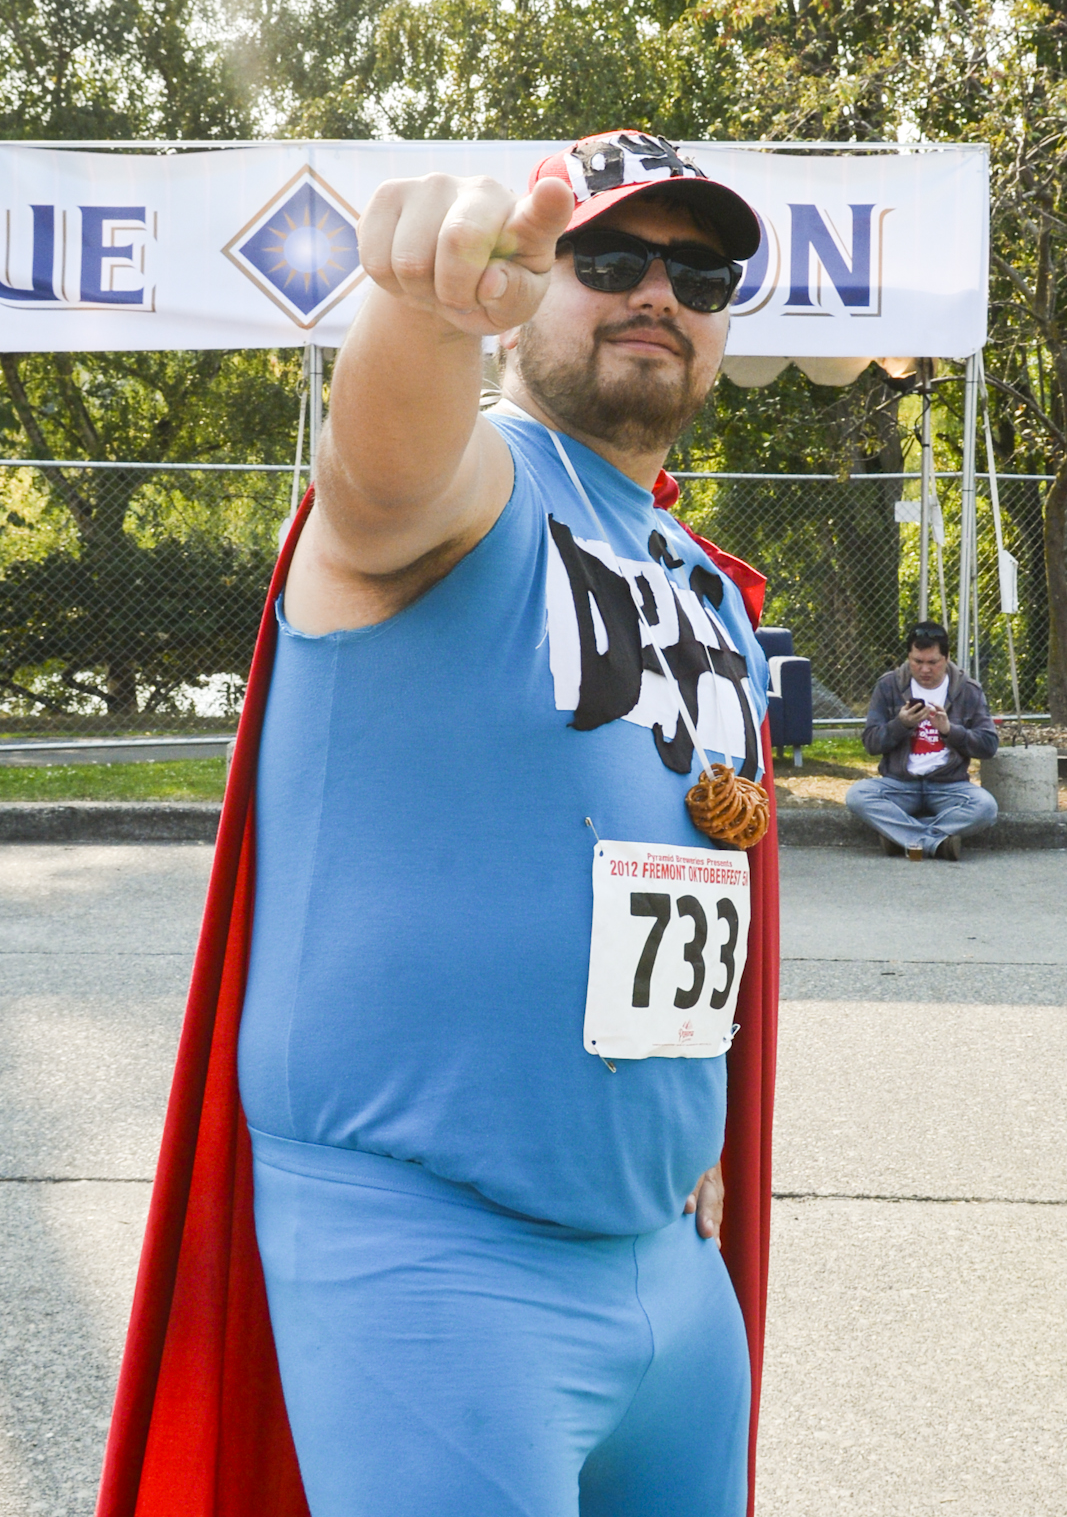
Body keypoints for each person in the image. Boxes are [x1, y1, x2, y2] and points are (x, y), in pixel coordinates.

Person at [97, 132, 780, 1517]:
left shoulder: (705, 583)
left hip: (666, 1262)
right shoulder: (479, 493)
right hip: (434, 1263)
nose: (656, 292)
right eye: (605, 259)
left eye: (696, 273)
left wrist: (685, 1133)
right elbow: (386, 474)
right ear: (530, 282)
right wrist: (418, 308)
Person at [846, 621, 999, 861]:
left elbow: (989, 746)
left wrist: (950, 731)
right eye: (917, 662)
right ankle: (935, 842)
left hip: (948, 786)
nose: (924, 670)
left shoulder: (968, 690)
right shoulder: (889, 686)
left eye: (932, 662)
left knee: (986, 807)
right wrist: (901, 725)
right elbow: (871, 743)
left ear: (947, 657)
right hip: (900, 784)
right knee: (858, 795)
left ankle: (901, 837)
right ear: (908, 657)